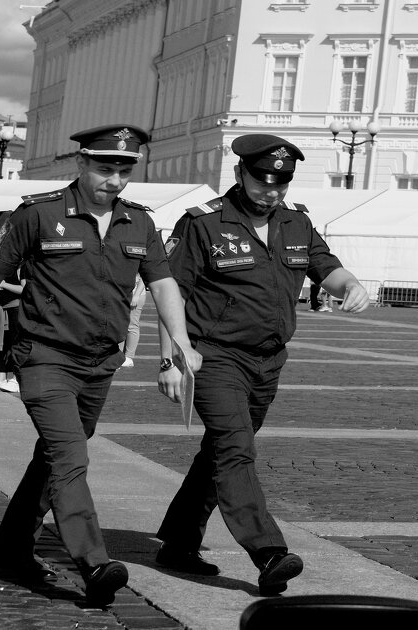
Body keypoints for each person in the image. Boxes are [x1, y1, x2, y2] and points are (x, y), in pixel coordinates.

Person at [0, 124, 201, 608]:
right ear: (82, 164)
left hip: (100, 362)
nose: (115, 179)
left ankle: (10, 543)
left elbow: (163, 283)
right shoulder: (38, 213)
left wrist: (179, 346)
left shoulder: (140, 223)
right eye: (105, 168)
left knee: (54, 456)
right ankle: (93, 562)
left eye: (124, 170)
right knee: (70, 457)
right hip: (44, 356)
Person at [153, 133, 371, 596]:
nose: (271, 191)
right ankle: (267, 551)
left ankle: (177, 541)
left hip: (269, 360)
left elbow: (325, 266)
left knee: (220, 451)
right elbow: (170, 290)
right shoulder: (203, 224)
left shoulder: (295, 222)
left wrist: (350, 285)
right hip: (214, 355)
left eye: (281, 182)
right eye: (262, 180)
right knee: (235, 449)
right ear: (239, 174)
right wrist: (172, 357)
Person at [121, 276, 146, 367]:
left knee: (132, 325)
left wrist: (136, 295)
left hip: (135, 292)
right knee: (118, 324)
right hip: (119, 292)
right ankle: (118, 356)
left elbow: (144, 276)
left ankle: (128, 357)